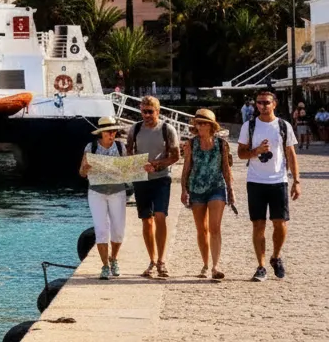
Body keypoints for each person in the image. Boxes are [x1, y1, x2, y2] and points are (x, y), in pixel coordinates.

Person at [237, 89, 302, 281]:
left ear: (274, 104)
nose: (262, 106)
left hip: (278, 180)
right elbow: (241, 153)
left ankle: (276, 256)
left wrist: (296, 181)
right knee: (258, 225)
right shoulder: (249, 126)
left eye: (266, 102)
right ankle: (261, 266)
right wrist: (256, 150)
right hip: (256, 181)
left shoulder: (283, 126)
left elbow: (291, 154)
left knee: (280, 223)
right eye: (259, 102)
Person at [127, 96, 180, 279]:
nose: (147, 115)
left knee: (160, 216)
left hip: (161, 178)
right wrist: (137, 164)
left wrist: (157, 164)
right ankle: (152, 260)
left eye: (150, 111)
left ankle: (162, 260)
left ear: (158, 111)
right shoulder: (134, 129)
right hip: (141, 179)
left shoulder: (167, 129)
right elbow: (129, 153)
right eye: (144, 111)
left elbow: (175, 156)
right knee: (146, 220)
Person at [179, 109, 234, 281]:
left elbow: (226, 168)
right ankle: (205, 264)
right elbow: (186, 167)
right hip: (196, 188)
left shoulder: (221, 144)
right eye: (198, 123)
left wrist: (230, 190)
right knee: (201, 229)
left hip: (216, 186)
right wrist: (183, 189)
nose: (200, 125)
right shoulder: (191, 144)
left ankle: (215, 266)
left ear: (211, 125)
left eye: (204, 123)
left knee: (214, 227)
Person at [80, 116, 129, 280]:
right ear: (101, 133)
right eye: (109, 131)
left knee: (118, 231)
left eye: (114, 131)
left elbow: (127, 170)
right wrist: (86, 168)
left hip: (117, 192)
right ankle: (105, 266)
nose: (112, 134)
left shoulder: (121, 147)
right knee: (101, 230)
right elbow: (81, 173)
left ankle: (114, 258)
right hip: (96, 193)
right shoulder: (91, 147)